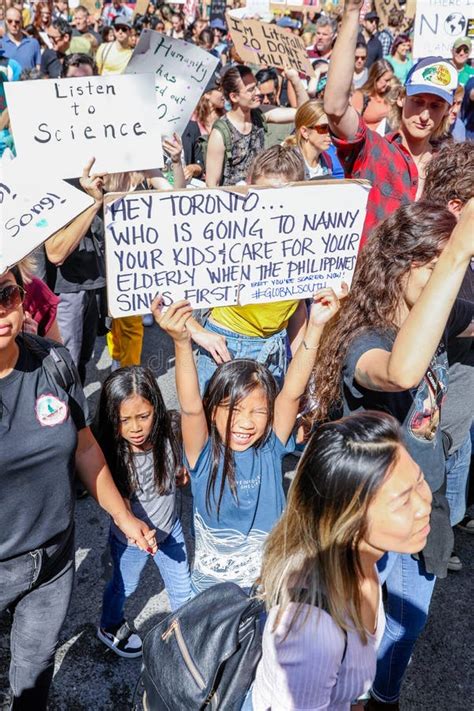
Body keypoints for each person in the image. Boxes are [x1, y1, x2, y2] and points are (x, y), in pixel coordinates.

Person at [307, 200, 474, 709]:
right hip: (369, 513)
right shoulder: (363, 341)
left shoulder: (443, 313)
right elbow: (402, 372)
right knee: (363, 624)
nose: (455, 285)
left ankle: (384, 695)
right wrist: (460, 245)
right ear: (402, 266)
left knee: (411, 622)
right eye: (441, 269)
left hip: (426, 501)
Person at [0, 265, 157, 710]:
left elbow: (84, 448)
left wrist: (124, 516)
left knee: (33, 671)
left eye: (8, 294)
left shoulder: (53, 361)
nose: (1, 310)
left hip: (52, 559)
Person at [153, 285, 342, 595]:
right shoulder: (202, 454)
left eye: (259, 411)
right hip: (210, 590)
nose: (245, 422)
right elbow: (189, 406)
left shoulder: (270, 447)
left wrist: (317, 325)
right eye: (233, 409)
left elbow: (292, 390)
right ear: (211, 410)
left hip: (268, 583)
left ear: (271, 415)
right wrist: (181, 342)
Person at [246, 412, 432, 711]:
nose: (425, 505)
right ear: (348, 518)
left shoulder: (365, 561)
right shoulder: (311, 635)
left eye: (420, 482)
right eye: (403, 500)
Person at [324, 0, 457, 247]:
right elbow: (334, 107)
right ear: (401, 99)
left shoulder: (450, 166)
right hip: (373, 282)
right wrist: (352, 12)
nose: (424, 115)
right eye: (417, 101)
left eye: (435, 106)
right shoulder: (374, 150)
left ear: (448, 112)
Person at [187, 146, 310, 394]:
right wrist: (198, 332)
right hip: (225, 347)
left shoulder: (302, 239)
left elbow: (296, 305)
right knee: (213, 430)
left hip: (275, 352)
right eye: (264, 194)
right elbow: (167, 287)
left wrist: (301, 366)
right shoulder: (228, 228)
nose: (273, 205)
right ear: (250, 185)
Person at [94, 366, 192, 658]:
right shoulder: (111, 453)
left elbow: (177, 465)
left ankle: (186, 642)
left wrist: (180, 474)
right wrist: (132, 525)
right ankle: (109, 625)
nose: (135, 428)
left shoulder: (171, 431)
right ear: (112, 419)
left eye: (143, 416)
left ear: (156, 410)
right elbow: (118, 501)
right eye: (124, 420)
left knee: (182, 589)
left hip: (169, 528)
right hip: (131, 541)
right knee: (124, 586)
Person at [423, 141, 474, 570]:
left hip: (461, 417)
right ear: (458, 207)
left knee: (451, 506)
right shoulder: (433, 259)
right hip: (436, 426)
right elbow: (450, 317)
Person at [205, 65, 308, 187]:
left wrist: (294, 79)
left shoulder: (260, 115)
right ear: (234, 97)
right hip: (234, 202)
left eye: (256, 87)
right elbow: (212, 185)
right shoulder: (221, 133)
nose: (258, 92)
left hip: (261, 198)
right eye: (251, 90)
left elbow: (305, 113)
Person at [283, 99, 334, 179]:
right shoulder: (287, 162)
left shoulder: (328, 159)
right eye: (323, 128)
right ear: (305, 132)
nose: (329, 133)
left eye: (332, 128)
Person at [351, 59, 394, 131]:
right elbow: (354, 125)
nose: (389, 84)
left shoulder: (389, 94)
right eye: (386, 80)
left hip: (386, 140)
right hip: (368, 139)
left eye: (390, 80)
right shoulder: (360, 96)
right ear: (375, 78)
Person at [0, 6, 41, 70]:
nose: (13, 24)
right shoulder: (1, 44)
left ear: (22, 22)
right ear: (5, 21)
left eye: (17, 21)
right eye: (10, 21)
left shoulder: (33, 43)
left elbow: (38, 69)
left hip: (30, 79)